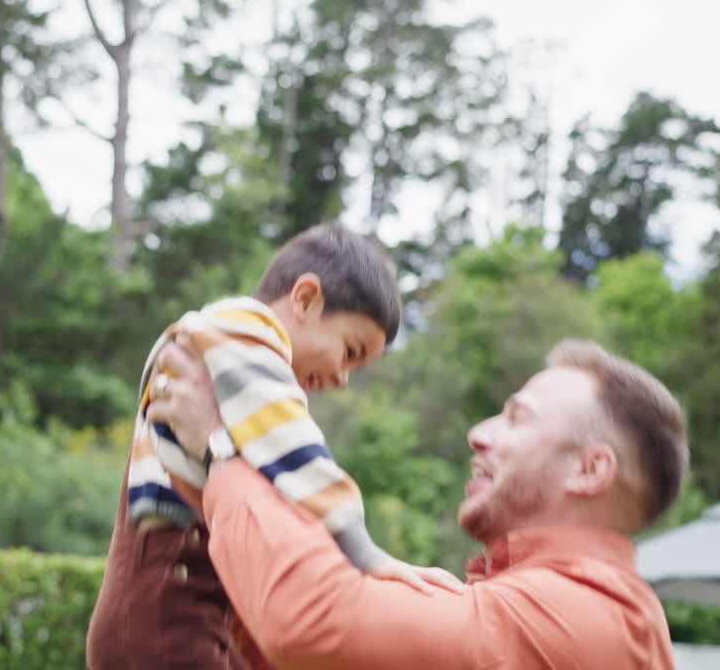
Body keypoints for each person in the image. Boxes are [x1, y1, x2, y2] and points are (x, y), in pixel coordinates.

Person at [146, 338, 688, 670]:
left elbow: (312, 623)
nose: (479, 433)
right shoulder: (545, 608)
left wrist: (224, 451)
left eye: (518, 417)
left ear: (589, 470)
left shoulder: (585, 616)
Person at [86, 222, 462, 670]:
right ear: (305, 299)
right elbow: (292, 450)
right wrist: (362, 552)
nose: (342, 379)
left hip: (175, 621)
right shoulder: (240, 334)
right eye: (349, 351)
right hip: (166, 621)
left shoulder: (231, 359)